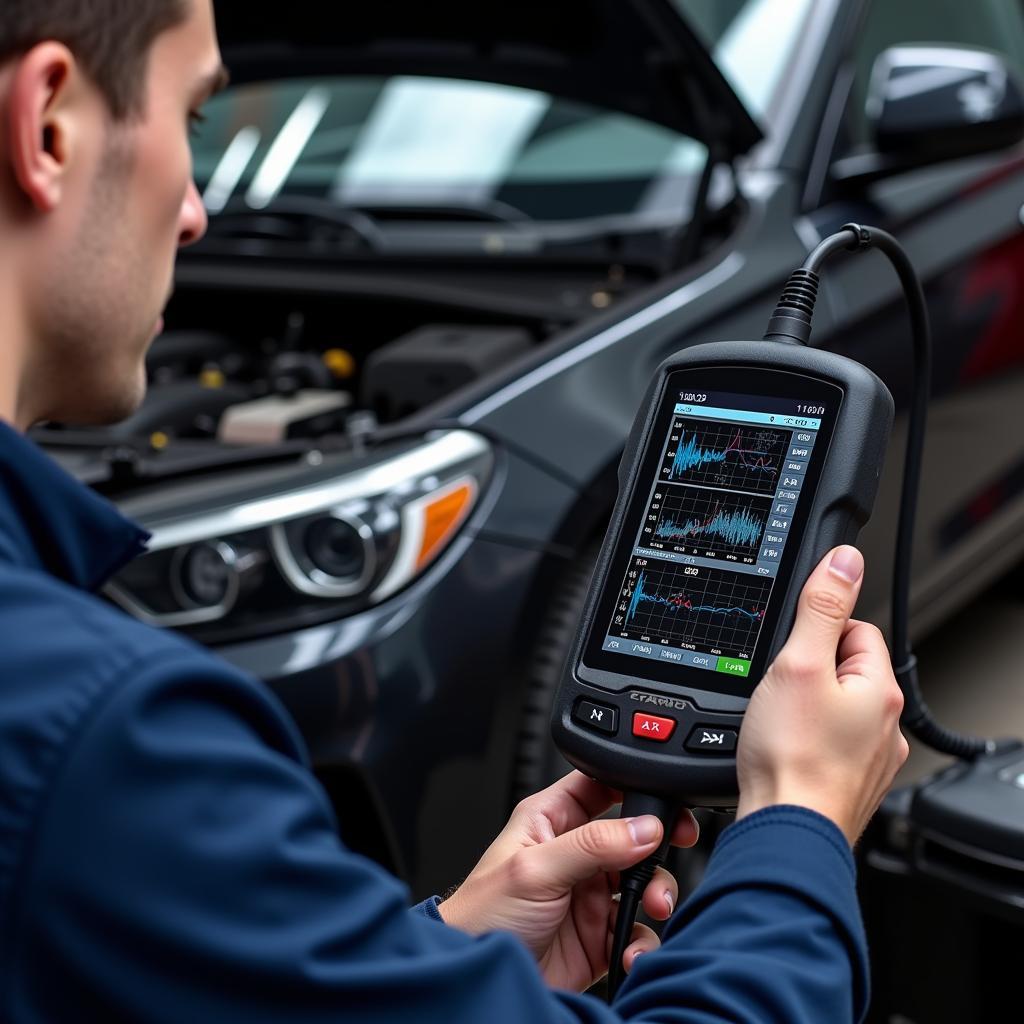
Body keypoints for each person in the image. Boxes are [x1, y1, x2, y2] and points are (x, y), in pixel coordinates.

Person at [0, 1, 909, 1021]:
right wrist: (797, 820)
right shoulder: (101, 737)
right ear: (48, 128)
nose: (198, 212)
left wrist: (429, 958)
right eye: (196, 119)